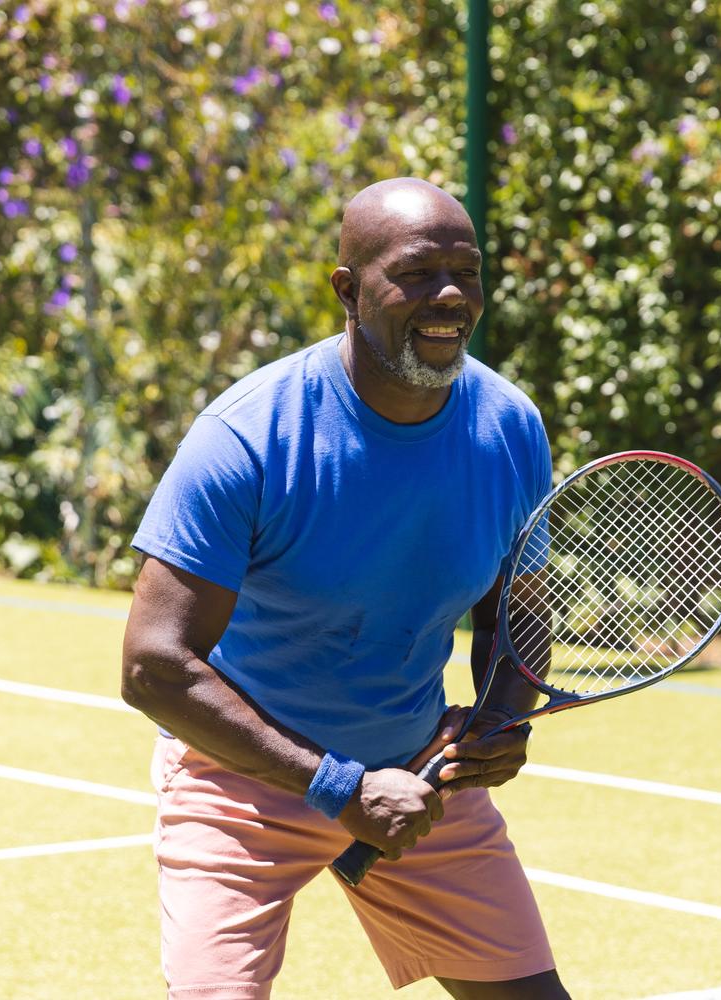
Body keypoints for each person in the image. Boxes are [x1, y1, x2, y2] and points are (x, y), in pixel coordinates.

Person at [121, 177, 569, 999]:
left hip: (414, 764)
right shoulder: (247, 435)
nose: (448, 297)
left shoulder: (510, 427)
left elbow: (519, 611)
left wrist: (505, 715)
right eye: (416, 273)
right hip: (240, 777)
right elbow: (154, 664)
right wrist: (339, 788)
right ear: (347, 290)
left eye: (465, 273)